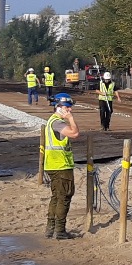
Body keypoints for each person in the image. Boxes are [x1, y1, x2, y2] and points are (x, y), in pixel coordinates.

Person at [42, 92, 81, 239]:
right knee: (64, 197)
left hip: (54, 164)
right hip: (60, 166)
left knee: (56, 197)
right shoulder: (57, 122)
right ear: (58, 107)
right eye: (67, 107)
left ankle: (50, 229)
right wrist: (71, 119)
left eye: (70, 108)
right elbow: (75, 134)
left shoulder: (52, 121)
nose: (70, 110)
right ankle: (60, 230)